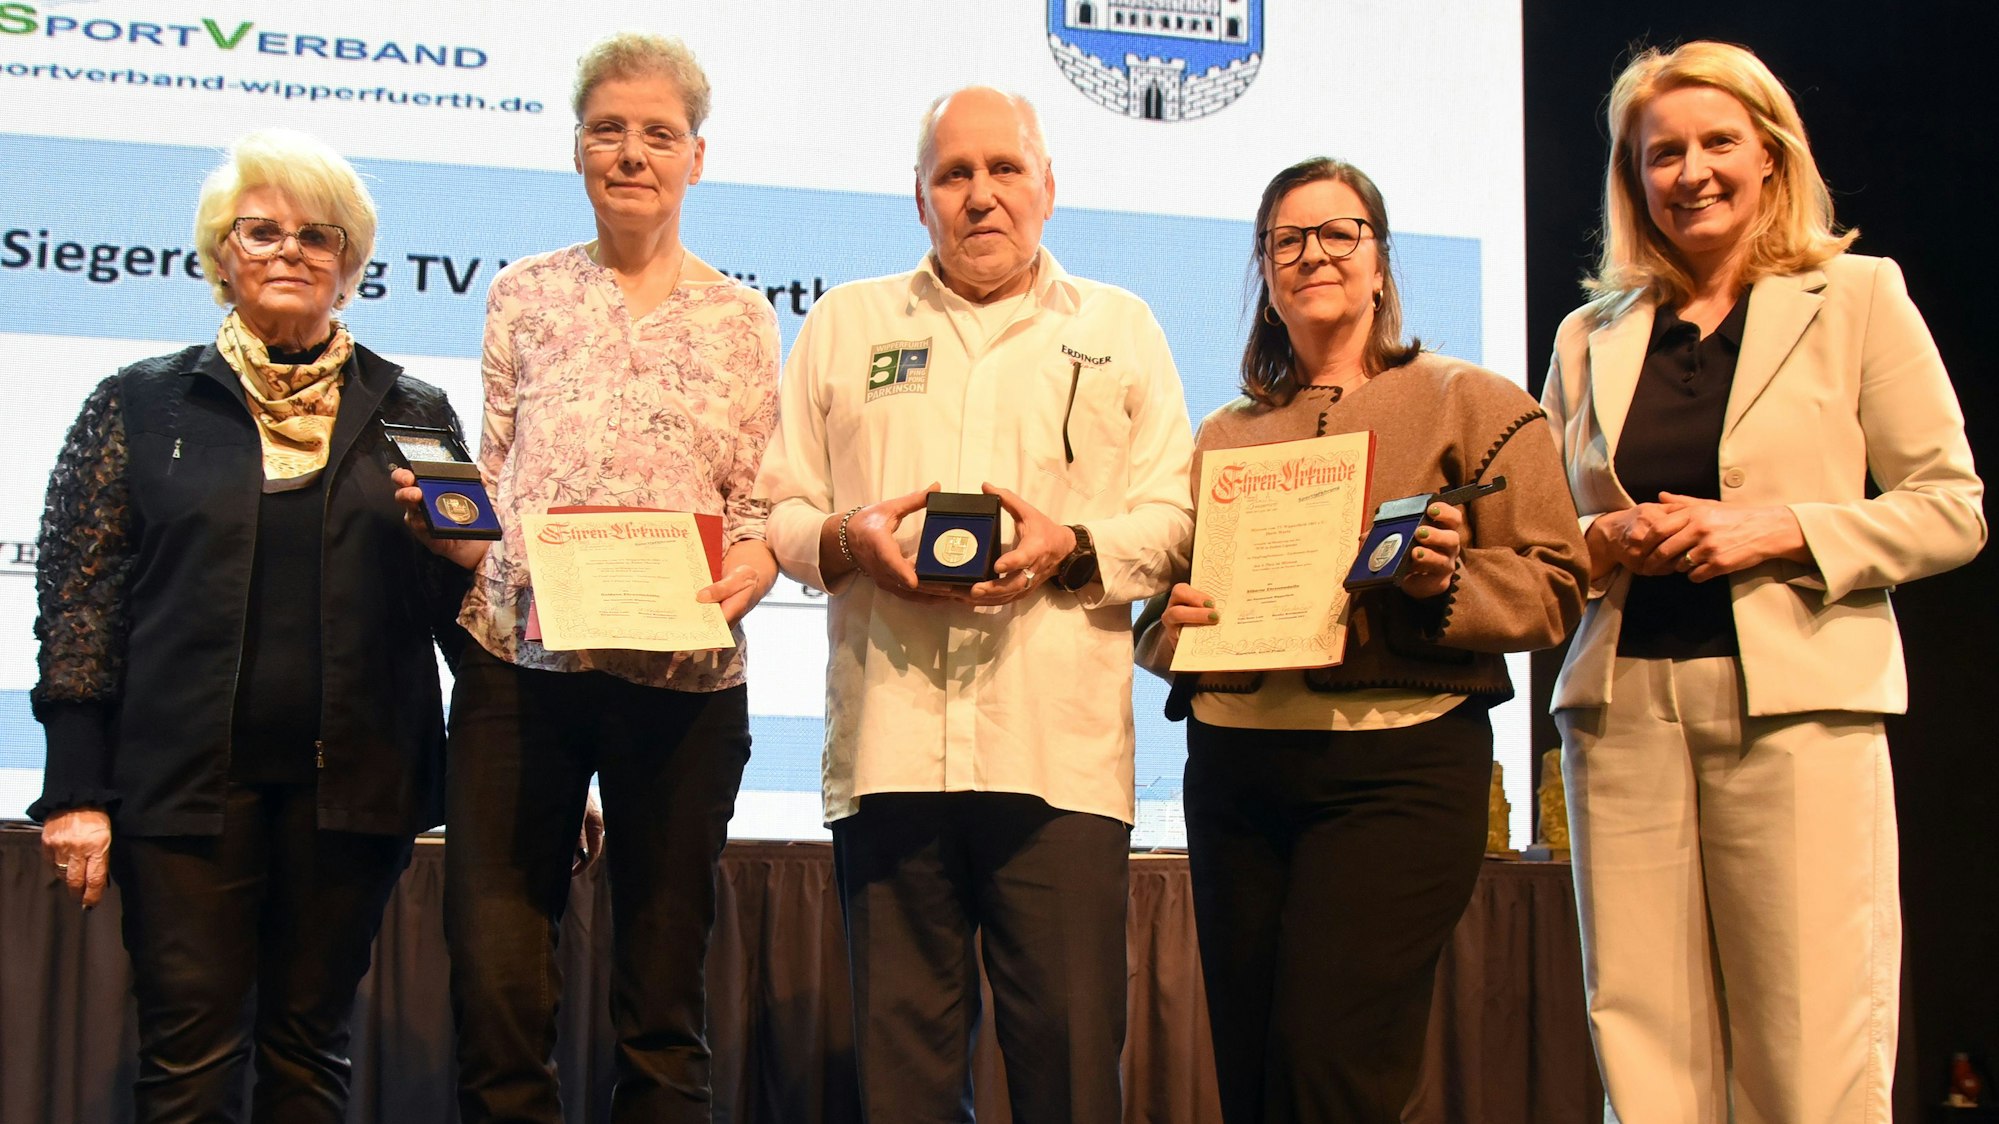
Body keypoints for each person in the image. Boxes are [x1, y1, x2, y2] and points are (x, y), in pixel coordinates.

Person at [1542, 41, 1985, 1123]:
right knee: (1642, 1044)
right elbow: (1547, 535)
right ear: (1631, 178)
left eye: (1715, 144)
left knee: (1808, 1038)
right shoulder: (1587, 335)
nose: (1689, 171)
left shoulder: (1856, 297)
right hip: (1624, 708)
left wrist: (1776, 529)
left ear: (1772, 159)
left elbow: (1948, 506)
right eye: (1660, 154)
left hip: (1796, 708)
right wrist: (1604, 539)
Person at [753, 86, 1194, 1122]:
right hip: (892, 753)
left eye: (1004, 170)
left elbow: (1173, 516)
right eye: (954, 174)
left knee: (1074, 1077)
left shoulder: (1121, 327)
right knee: (901, 1087)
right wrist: (846, 539)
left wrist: (1074, 547)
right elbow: (780, 503)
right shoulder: (846, 322)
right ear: (919, 198)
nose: (980, 195)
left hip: (1059, 759)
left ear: (1050, 186)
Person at [29, 128, 470, 1123]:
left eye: (319, 235)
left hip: (355, 788)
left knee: (312, 1054)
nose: (289, 251)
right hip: (179, 788)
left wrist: (530, 748)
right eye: (260, 230)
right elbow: (81, 597)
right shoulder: (139, 403)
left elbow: (466, 596)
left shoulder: (413, 409)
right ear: (220, 255)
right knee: (185, 1061)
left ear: (350, 265)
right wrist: (74, 785)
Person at [1136, 157, 1588, 1124]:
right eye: (1287, 240)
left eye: (1339, 233)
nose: (1313, 256)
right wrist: (1171, 629)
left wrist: (1446, 579)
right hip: (1235, 770)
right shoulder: (1222, 434)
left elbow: (1555, 586)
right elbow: (1159, 610)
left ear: (1380, 262)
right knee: (1254, 1071)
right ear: (1264, 270)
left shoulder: (1476, 403)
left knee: (1332, 1066)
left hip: (1399, 768)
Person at [393, 31, 781, 1124]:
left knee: (663, 995)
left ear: (696, 157)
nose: (631, 152)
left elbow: (755, 503)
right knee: (497, 976)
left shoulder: (744, 317)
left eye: (658, 133)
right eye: (608, 129)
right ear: (576, 148)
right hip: (520, 666)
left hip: (685, 679)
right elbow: (495, 470)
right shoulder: (523, 295)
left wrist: (752, 564)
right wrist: (452, 526)